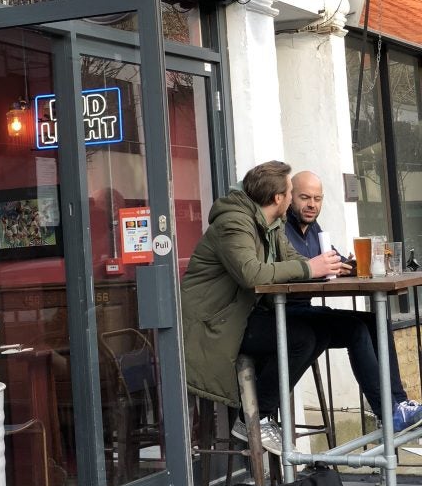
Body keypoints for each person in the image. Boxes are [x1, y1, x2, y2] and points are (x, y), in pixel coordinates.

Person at [180, 160, 341, 454]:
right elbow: (251, 274)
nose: (294, 198)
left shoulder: (272, 224)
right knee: (301, 337)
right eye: (292, 192)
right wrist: (309, 269)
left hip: (243, 317)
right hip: (215, 325)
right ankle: (253, 418)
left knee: (320, 330)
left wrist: (328, 266)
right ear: (279, 198)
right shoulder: (234, 222)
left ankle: (264, 407)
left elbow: (293, 260)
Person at [285, 170, 422, 432]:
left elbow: (332, 261)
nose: (312, 204)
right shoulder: (281, 229)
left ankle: (399, 405)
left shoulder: (314, 229)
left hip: (306, 310)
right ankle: (388, 412)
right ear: (290, 197)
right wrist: (320, 268)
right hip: (286, 313)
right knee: (356, 329)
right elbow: (290, 271)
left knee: (375, 321)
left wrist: (348, 265)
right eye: (304, 197)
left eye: (317, 198)